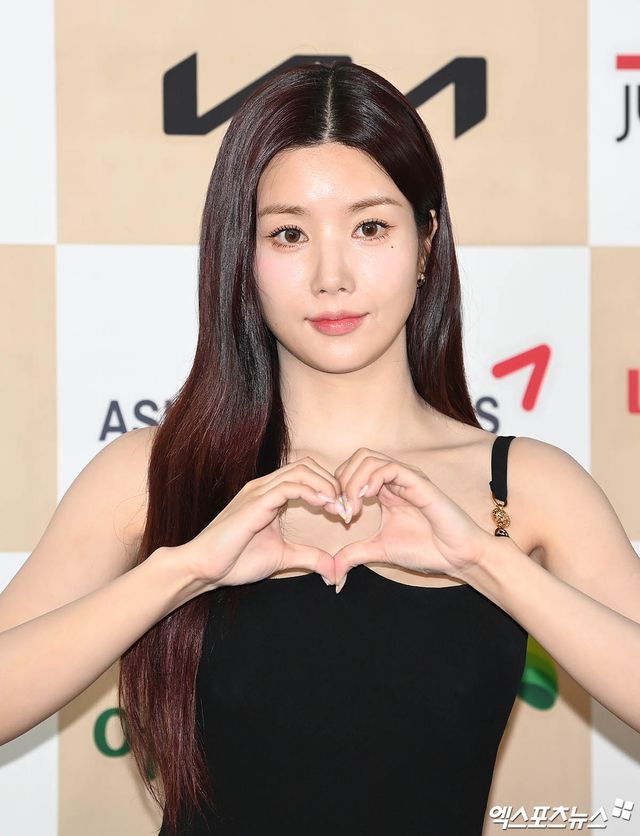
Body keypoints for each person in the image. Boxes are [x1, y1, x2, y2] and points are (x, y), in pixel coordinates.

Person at [1, 60, 638, 836]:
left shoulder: (525, 486)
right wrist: (184, 570)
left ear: (427, 240)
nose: (331, 276)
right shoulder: (151, 474)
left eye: (369, 228)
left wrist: (484, 562)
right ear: (243, 255)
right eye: (290, 234)